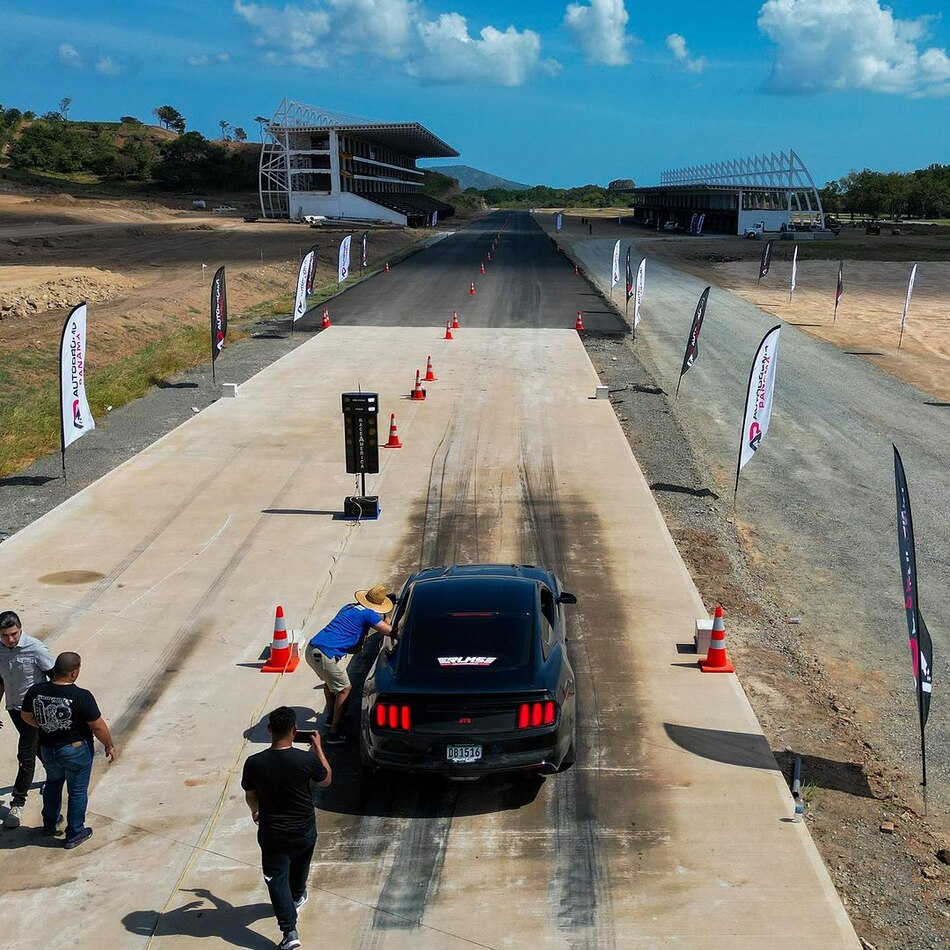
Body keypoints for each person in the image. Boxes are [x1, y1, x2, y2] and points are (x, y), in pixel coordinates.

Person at [241, 706, 332, 950]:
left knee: (276, 878)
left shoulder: (254, 763)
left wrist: (255, 810)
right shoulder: (306, 760)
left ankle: (289, 931)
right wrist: (318, 748)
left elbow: (250, 795)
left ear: (269, 729)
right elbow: (326, 779)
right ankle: (297, 896)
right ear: (294, 730)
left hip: (273, 833)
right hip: (304, 830)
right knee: (300, 865)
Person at [21, 651, 116, 848]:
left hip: (48, 749)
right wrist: (109, 745)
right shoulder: (81, 696)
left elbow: (26, 715)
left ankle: (49, 824)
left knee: (53, 784)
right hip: (75, 750)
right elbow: (97, 726)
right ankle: (75, 832)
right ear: (73, 672)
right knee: (77, 791)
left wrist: (44, 726)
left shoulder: (35, 691)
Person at [305, 585, 393, 744]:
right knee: (345, 689)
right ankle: (335, 733)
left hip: (313, 649)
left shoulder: (349, 607)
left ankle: (331, 718)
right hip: (326, 653)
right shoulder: (368, 614)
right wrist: (387, 620)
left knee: (330, 683)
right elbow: (389, 631)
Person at [0, 610, 54, 829]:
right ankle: (55, 776)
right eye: (5, 636)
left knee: (25, 754)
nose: (10, 639)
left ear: (20, 629)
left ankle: (17, 803)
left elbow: (54, 677)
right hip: (13, 709)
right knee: (37, 747)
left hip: (33, 711)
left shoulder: (36, 648)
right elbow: (1, 681)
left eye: (14, 634)